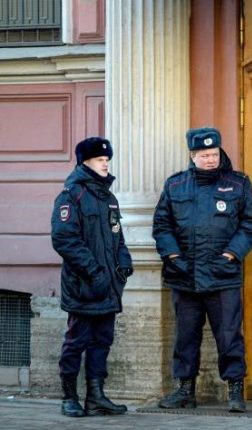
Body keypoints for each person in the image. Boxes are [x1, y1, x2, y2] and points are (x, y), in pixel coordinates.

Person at [152, 127, 252, 413]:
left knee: (228, 335)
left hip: (222, 275)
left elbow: (251, 223)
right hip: (184, 275)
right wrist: (173, 255)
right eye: (204, 155)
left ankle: (235, 391)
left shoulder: (237, 184)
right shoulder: (176, 185)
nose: (211, 159)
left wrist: (231, 253)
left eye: (214, 154)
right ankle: (185, 391)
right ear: (193, 156)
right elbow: (162, 225)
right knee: (185, 336)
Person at [51, 137, 133, 417]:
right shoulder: (71, 195)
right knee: (76, 341)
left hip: (108, 285)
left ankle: (96, 397)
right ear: (86, 162)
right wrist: (94, 273)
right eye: (101, 160)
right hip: (83, 285)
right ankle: (69, 396)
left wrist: (124, 262)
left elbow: (116, 236)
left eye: (107, 160)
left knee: (102, 341)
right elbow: (65, 239)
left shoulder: (108, 197)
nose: (105, 164)